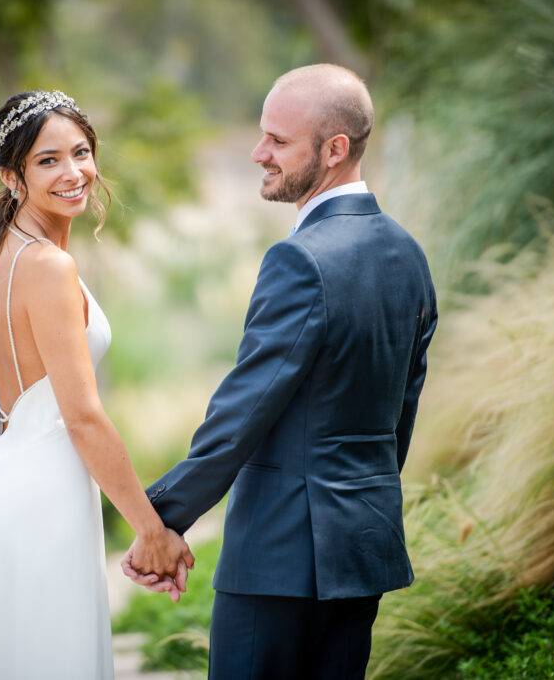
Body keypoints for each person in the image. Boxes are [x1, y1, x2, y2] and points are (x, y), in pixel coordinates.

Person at [122, 64, 438, 679]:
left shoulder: (299, 259)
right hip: (362, 548)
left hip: (278, 554)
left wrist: (160, 521)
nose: (257, 152)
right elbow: (402, 408)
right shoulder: (408, 255)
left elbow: (243, 411)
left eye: (278, 141)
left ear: (335, 149)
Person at [0, 90, 194, 679]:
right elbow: (82, 416)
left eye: (81, 152)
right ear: (11, 176)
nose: (74, 172)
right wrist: (150, 531)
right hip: (47, 499)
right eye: (48, 160)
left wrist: (2, 484)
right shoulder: (50, 267)